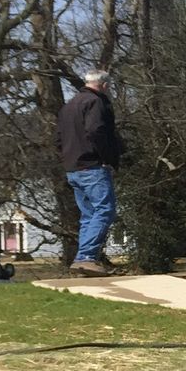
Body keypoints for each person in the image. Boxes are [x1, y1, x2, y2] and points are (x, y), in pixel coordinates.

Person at [57, 69, 124, 275]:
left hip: (73, 168)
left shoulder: (68, 106)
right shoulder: (95, 103)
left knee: (88, 215)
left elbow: (58, 139)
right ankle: (86, 256)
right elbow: (96, 131)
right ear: (104, 85)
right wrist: (108, 158)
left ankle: (82, 260)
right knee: (105, 210)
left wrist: (69, 157)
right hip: (92, 166)